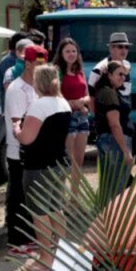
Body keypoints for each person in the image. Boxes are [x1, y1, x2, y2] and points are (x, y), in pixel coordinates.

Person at [15, 65, 71, 271]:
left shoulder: (39, 106)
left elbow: (26, 138)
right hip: (58, 163)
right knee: (56, 209)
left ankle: (45, 258)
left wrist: (16, 128)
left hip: (38, 166)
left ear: (38, 83)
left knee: (40, 213)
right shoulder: (63, 103)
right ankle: (62, 254)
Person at [4, 44, 46, 258]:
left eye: (43, 63)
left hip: (35, 150)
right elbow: (18, 122)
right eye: (36, 63)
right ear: (27, 63)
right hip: (19, 150)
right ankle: (15, 241)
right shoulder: (16, 88)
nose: (40, 67)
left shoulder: (38, 87)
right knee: (18, 197)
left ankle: (28, 236)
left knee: (32, 197)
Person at [90, 60, 134, 195]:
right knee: (117, 186)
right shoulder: (109, 93)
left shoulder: (109, 91)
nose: (123, 77)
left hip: (111, 141)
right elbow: (114, 124)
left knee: (114, 183)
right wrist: (125, 151)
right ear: (109, 75)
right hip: (114, 142)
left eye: (124, 75)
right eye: (119, 74)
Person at [52, 37, 90, 171]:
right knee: (68, 160)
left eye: (74, 51)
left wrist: (82, 103)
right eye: (67, 51)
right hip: (66, 117)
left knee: (79, 161)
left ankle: (76, 191)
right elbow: (54, 95)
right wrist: (72, 103)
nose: (71, 54)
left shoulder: (80, 70)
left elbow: (87, 95)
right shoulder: (56, 71)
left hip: (82, 117)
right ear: (61, 53)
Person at [87, 32, 132, 107]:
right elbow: (91, 97)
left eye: (126, 47)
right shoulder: (98, 69)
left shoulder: (127, 65)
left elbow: (126, 92)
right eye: (120, 47)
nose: (124, 50)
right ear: (111, 49)